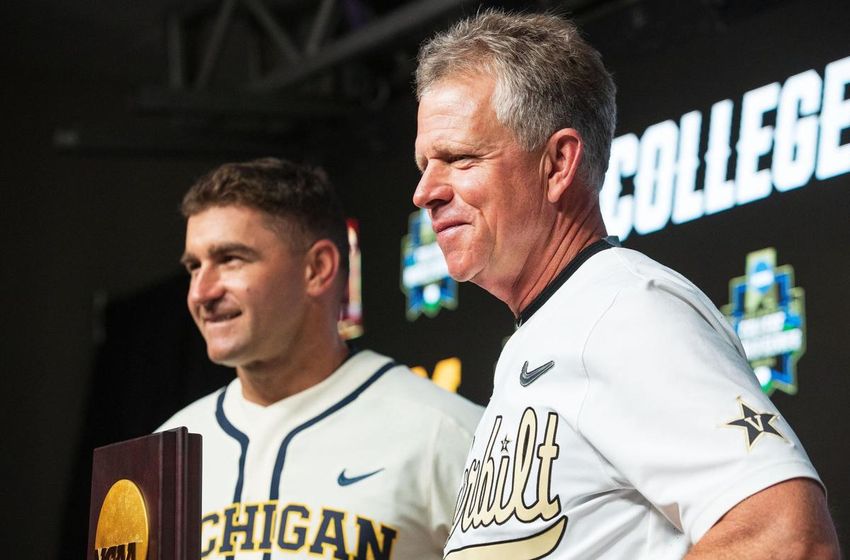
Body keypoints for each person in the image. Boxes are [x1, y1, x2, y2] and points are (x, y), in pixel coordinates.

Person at [412, 10, 839, 559]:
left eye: (460, 158)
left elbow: (788, 539)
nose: (425, 192)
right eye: (424, 165)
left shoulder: (623, 309)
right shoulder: (551, 329)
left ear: (558, 163)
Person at [158, 157, 483, 560]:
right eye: (194, 267)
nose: (201, 292)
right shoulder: (165, 452)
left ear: (318, 268)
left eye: (230, 259)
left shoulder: (448, 434)